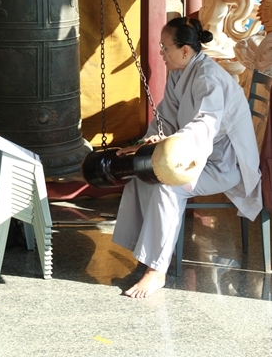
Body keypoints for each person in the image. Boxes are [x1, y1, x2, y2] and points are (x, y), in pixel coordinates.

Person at [112, 17, 262, 298]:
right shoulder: (179, 72)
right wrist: (144, 144)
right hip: (194, 155)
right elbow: (166, 118)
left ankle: (157, 271)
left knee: (168, 186)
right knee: (140, 173)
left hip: (224, 165)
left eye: (164, 47)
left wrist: (170, 142)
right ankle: (145, 251)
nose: (161, 53)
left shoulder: (208, 77)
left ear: (184, 50)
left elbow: (205, 125)